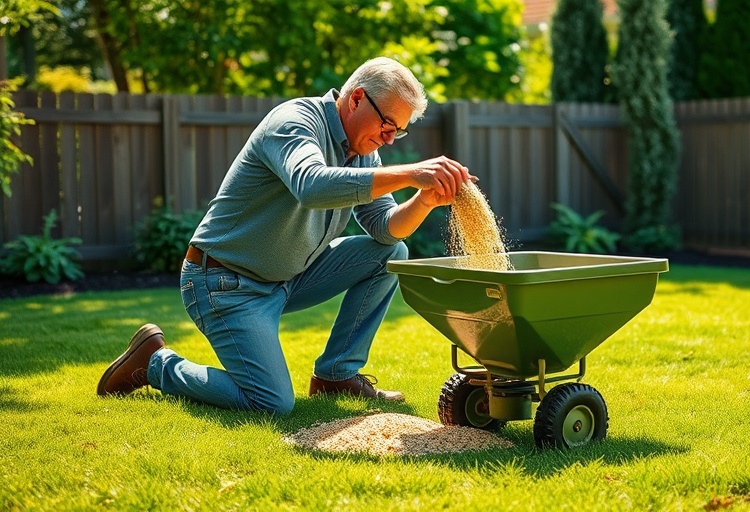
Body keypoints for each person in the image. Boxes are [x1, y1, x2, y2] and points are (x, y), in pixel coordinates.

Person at [96, 57, 474, 414]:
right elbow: (311, 186)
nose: (390, 139)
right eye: (387, 125)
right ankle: (157, 364)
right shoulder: (294, 121)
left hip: (286, 279)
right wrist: (410, 173)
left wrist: (424, 201)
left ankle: (335, 377)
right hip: (224, 282)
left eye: (399, 131)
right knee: (271, 402)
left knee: (389, 255)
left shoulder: (362, 151)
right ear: (357, 98)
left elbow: (385, 228)